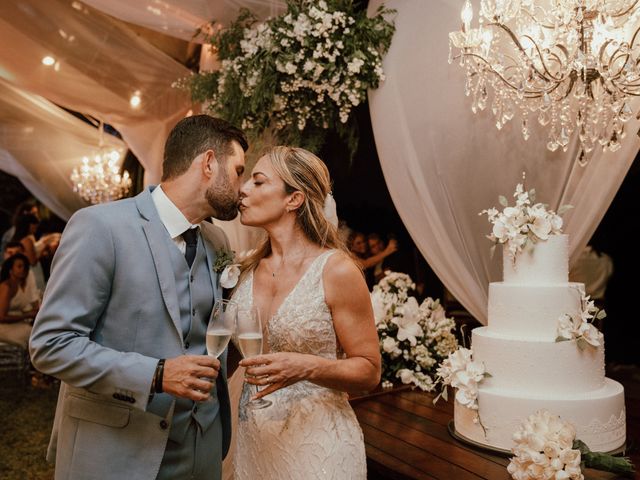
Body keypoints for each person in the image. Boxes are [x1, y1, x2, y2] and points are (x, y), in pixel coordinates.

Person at [29, 115, 248, 480]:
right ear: (208, 163)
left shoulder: (217, 242)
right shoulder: (100, 228)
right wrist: (156, 374)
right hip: (122, 450)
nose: (242, 188)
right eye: (239, 171)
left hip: (203, 448)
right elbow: (51, 345)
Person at [231, 146, 381, 479]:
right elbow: (230, 355)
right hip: (256, 442)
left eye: (258, 182)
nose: (243, 189)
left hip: (319, 447)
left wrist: (306, 366)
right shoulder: (244, 270)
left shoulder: (337, 271)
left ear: (293, 199)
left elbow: (369, 371)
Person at [0, 253, 38, 348]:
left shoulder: (20, 284)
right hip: (4, 326)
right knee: (31, 334)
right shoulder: (7, 287)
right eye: (19, 266)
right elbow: (1, 317)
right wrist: (27, 315)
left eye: (24, 266)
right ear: (11, 270)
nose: (23, 269)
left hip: (17, 323)